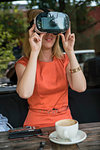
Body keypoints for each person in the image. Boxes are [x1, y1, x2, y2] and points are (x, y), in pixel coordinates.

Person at [15, 9, 86, 128]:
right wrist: (34, 52)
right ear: (34, 32)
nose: (49, 34)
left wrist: (70, 51)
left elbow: (81, 87)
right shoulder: (23, 64)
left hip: (65, 122)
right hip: (36, 124)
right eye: (44, 30)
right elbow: (25, 93)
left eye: (53, 29)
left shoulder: (64, 60)